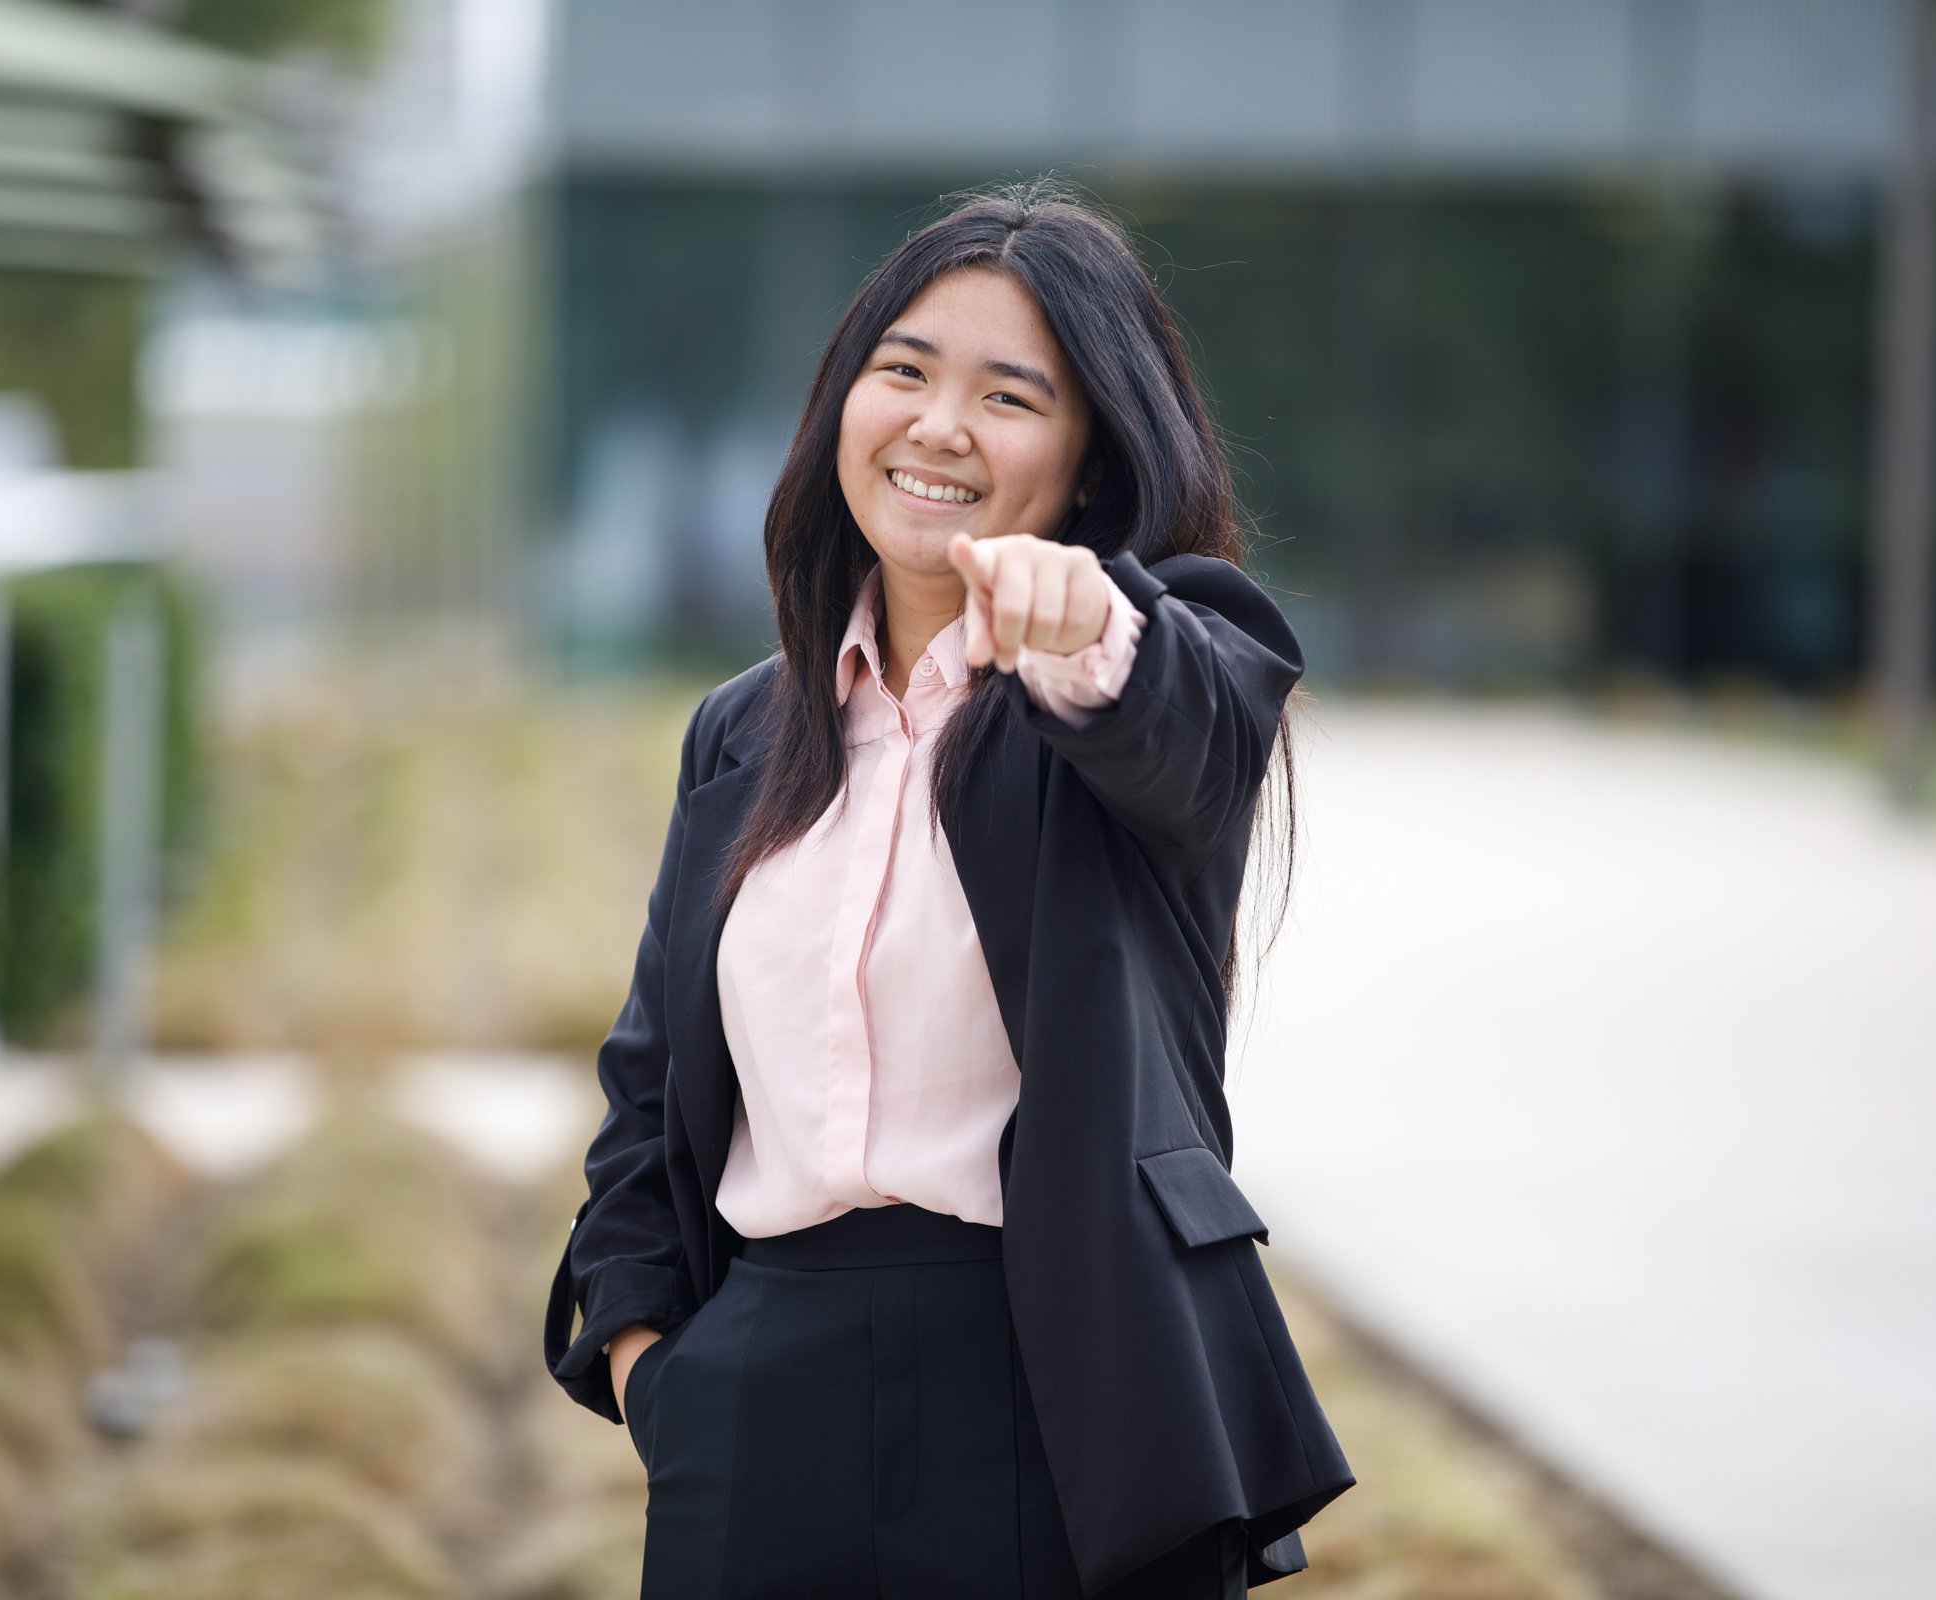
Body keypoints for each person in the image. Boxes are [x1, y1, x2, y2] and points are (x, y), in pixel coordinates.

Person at [544, 176, 1354, 1599]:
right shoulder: (744, 731)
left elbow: (1192, 735)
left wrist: (1092, 627)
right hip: (753, 1395)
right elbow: (651, 1088)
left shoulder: (1140, 674)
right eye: (902, 371)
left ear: (1093, 458)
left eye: (1010, 396)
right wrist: (652, 1367)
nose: (937, 426)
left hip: (1060, 1394)